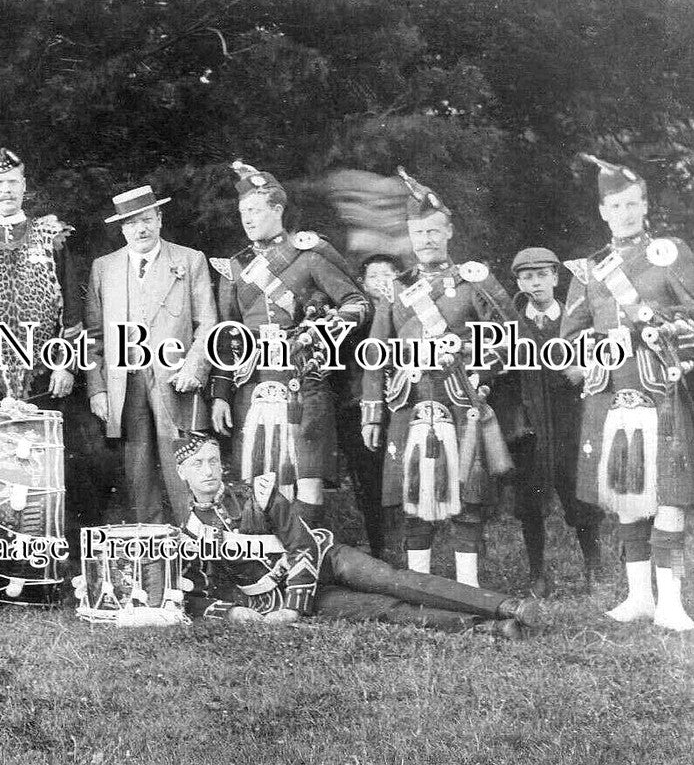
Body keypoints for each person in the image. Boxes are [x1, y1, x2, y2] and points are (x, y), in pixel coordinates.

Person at [175, 434, 540, 638]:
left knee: (395, 581)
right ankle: (493, 628)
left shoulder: (259, 492)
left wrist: (292, 609)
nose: (208, 471)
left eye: (212, 460)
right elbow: (195, 597)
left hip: (327, 560)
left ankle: (505, 605)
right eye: (197, 464)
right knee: (384, 611)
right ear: (182, 474)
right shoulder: (190, 534)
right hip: (291, 593)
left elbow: (301, 544)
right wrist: (236, 613)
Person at [360, 168, 517, 587]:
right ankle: (420, 589)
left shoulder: (473, 282)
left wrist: (474, 360)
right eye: (418, 232)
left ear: (448, 232)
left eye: (433, 231)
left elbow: (509, 339)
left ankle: (469, 590)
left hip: (461, 399)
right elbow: (375, 352)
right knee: (413, 497)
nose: (426, 240)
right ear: (410, 237)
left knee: (467, 497)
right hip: (407, 401)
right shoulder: (398, 287)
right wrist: (372, 412)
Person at [560, 155, 694, 630]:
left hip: (662, 389)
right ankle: (639, 596)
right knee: (626, 495)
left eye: (632, 204)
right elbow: (568, 334)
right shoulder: (590, 270)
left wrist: (665, 328)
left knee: (671, 496)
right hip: (611, 395)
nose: (625, 213)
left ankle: (672, 603)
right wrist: (591, 352)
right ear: (603, 211)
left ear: (644, 205)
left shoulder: (669, 252)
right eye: (616, 206)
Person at [209, 161, 370, 528]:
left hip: (303, 380)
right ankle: (271, 567)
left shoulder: (309, 254)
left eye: (255, 210)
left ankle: (306, 563)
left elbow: (358, 304)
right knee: (259, 477)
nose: (247, 219)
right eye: (243, 212)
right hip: (253, 383)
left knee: (306, 477)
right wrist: (220, 392)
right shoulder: (234, 268)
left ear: (277, 209)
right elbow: (227, 332)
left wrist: (321, 333)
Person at [85, 185, 217, 524]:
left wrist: (194, 367)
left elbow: (208, 324)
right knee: (138, 468)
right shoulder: (105, 267)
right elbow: (94, 336)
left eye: (145, 219)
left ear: (159, 219)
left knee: (184, 462)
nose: (140, 229)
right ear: (122, 228)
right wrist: (98, 389)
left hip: (176, 382)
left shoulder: (189, 260)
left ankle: (197, 546)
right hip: (125, 385)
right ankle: (153, 549)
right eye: (131, 223)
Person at [0, 148, 83, 406]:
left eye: (12, 181)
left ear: (24, 185)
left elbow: (72, 310)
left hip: (43, 376)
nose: (6, 189)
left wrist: (66, 365)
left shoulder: (49, 235)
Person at [506, 247, 602, 596]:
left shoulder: (575, 320)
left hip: (570, 422)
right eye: (527, 277)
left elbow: (604, 356)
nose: (535, 284)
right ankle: (537, 575)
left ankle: (595, 568)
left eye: (543, 275)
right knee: (530, 502)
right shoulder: (511, 324)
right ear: (517, 282)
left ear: (556, 278)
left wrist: (585, 370)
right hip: (531, 426)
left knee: (580, 497)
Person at [334, 254, 403, 558]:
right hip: (358, 408)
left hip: (399, 404)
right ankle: (379, 545)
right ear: (362, 284)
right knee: (369, 479)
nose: (382, 282)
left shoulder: (406, 314)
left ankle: (407, 543)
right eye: (374, 277)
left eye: (389, 275)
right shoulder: (354, 321)